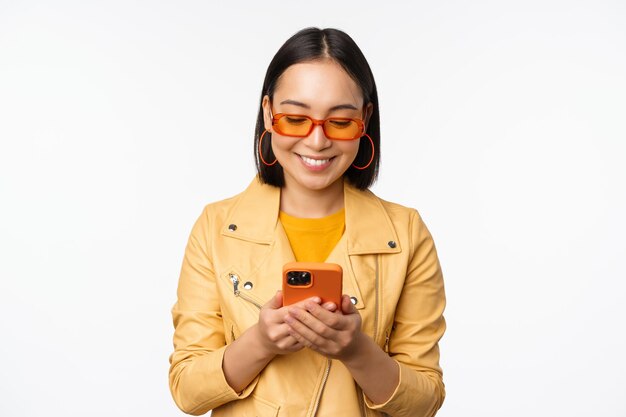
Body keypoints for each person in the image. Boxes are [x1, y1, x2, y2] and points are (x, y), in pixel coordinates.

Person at [168, 27, 447, 417]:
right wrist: (261, 342)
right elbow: (187, 391)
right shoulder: (216, 228)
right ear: (268, 113)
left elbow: (425, 400)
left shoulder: (405, 234)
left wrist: (357, 350)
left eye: (340, 121)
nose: (317, 141)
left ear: (365, 118)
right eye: (295, 119)